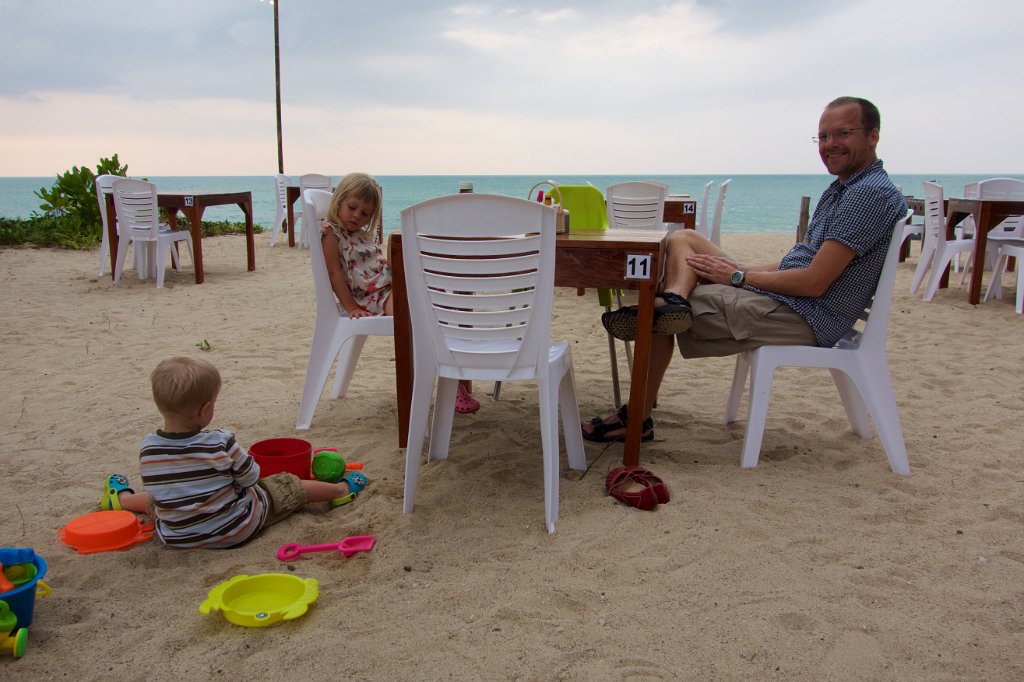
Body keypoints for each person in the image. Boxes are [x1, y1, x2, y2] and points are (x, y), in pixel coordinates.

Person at [584, 96, 908, 442]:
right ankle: (677, 296)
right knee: (685, 240)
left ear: (872, 135)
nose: (830, 145)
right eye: (823, 137)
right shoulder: (846, 188)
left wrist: (738, 277)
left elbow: (814, 282)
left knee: (653, 312)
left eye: (841, 133)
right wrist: (738, 270)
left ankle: (637, 417)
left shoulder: (868, 194)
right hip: (786, 298)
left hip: (804, 314)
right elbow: (797, 261)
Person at [100, 356, 369, 549]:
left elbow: (160, 488)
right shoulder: (220, 442)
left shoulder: (149, 447)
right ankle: (340, 492)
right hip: (232, 528)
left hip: (177, 535)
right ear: (205, 410)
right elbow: (252, 477)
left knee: (164, 497)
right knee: (286, 484)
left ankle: (121, 500)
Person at [320, 172, 480, 414]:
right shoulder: (332, 233)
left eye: (365, 213)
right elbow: (333, 275)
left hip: (388, 286)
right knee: (426, 313)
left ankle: (453, 374)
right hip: (372, 298)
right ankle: (450, 382)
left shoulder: (360, 235)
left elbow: (378, 264)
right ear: (339, 200)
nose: (357, 216)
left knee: (436, 297)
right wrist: (351, 306)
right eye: (352, 207)